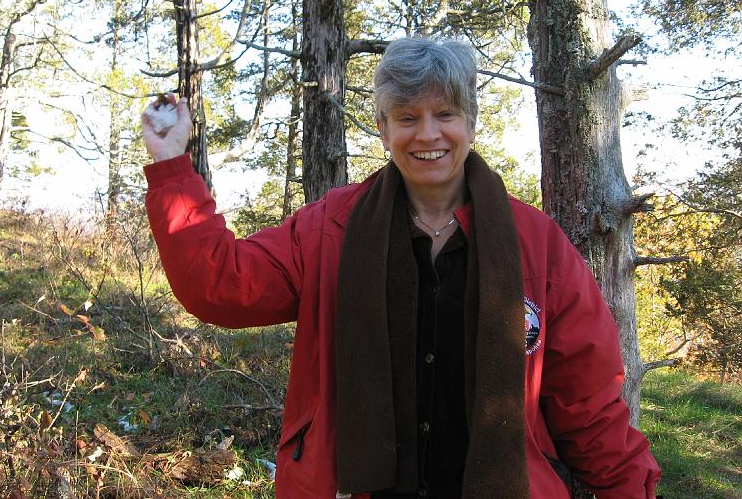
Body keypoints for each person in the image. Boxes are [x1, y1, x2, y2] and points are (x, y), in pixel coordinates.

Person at [142, 37, 661, 499]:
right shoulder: (331, 230)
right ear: (383, 127)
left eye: (446, 114)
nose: (427, 134)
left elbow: (588, 402)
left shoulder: (536, 244)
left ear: (472, 123)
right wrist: (170, 165)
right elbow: (221, 284)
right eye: (408, 117)